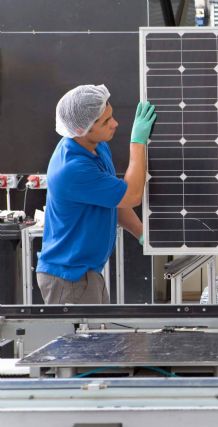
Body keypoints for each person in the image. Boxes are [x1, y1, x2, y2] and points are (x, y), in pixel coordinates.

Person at [36, 84, 156, 304]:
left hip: (86, 273)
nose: (115, 124)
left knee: (101, 338)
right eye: (105, 122)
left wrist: (141, 233)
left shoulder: (97, 146)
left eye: (111, 115)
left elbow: (113, 200)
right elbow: (131, 195)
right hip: (69, 278)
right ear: (83, 129)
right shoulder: (73, 169)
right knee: (85, 339)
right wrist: (138, 142)